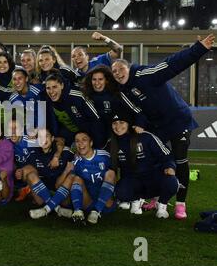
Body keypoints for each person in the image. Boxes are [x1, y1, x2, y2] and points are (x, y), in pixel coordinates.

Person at [111, 33, 215, 219]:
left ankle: (181, 204)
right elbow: (138, 111)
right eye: (114, 71)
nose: (117, 73)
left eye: (120, 69)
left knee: (179, 159)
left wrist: (198, 49)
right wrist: (141, 125)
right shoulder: (123, 92)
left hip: (178, 120)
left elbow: (171, 64)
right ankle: (155, 197)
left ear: (128, 68)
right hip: (158, 126)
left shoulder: (145, 75)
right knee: (155, 159)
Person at [30, 131, 116, 224]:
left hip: (105, 202)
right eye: (77, 141)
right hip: (87, 202)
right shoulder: (76, 161)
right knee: (74, 177)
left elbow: (114, 177)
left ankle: (96, 210)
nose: (80, 143)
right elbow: (58, 185)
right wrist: (67, 170)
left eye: (84, 140)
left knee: (111, 173)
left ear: (91, 143)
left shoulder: (104, 156)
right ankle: (56, 210)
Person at [109, 111, 180, 219]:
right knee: (120, 192)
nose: (118, 126)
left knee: (171, 182)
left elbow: (167, 155)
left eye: (122, 122)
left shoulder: (145, 136)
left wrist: (170, 167)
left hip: (154, 178)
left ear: (129, 124)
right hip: (134, 180)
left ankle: (162, 205)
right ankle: (135, 200)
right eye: (114, 123)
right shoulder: (112, 143)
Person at [15, 128, 74, 213]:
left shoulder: (64, 152)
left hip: (61, 192)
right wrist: (20, 171)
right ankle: (55, 207)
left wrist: (59, 159)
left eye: (47, 136)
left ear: (52, 138)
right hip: (44, 194)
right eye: (40, 137)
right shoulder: (33, 154)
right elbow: (27, 170)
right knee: (29, 174)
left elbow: (75, 149)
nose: (43, 139)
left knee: (69, 174)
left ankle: (49, 207)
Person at [82, 65, 148, 140]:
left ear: (106, 81)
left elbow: (136, 110)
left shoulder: (116, 94)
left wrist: (140, 124)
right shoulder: (88, 97)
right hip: (106, 137)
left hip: (126, 133)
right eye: (94, 79)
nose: (97, 82)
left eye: (100, 79)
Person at [45, 72, 106, 149]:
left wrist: (97, 146)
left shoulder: (77, 96)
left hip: (92, 138)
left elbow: (96, 119)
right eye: (48, 88)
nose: (51, 91)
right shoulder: (47, 99)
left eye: (55, 87)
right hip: (70, 139)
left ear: (62, 85)